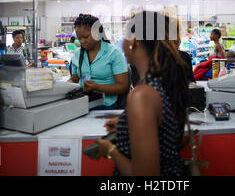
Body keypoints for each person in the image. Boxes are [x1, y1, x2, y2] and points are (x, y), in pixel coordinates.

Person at [95, 11, 189, 175]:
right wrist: (127, 122)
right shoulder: (162, 83)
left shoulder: (142, 95)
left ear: (134, 41)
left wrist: (110, 150)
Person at [70, 14, 128, 110]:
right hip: (82, 101)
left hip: (105, 104)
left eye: (86, 37)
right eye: (79, 38)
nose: (82, 41)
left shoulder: (113, 53)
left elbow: (123, 86)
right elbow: (74, 79)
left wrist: (97, 87)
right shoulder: (77, 54)